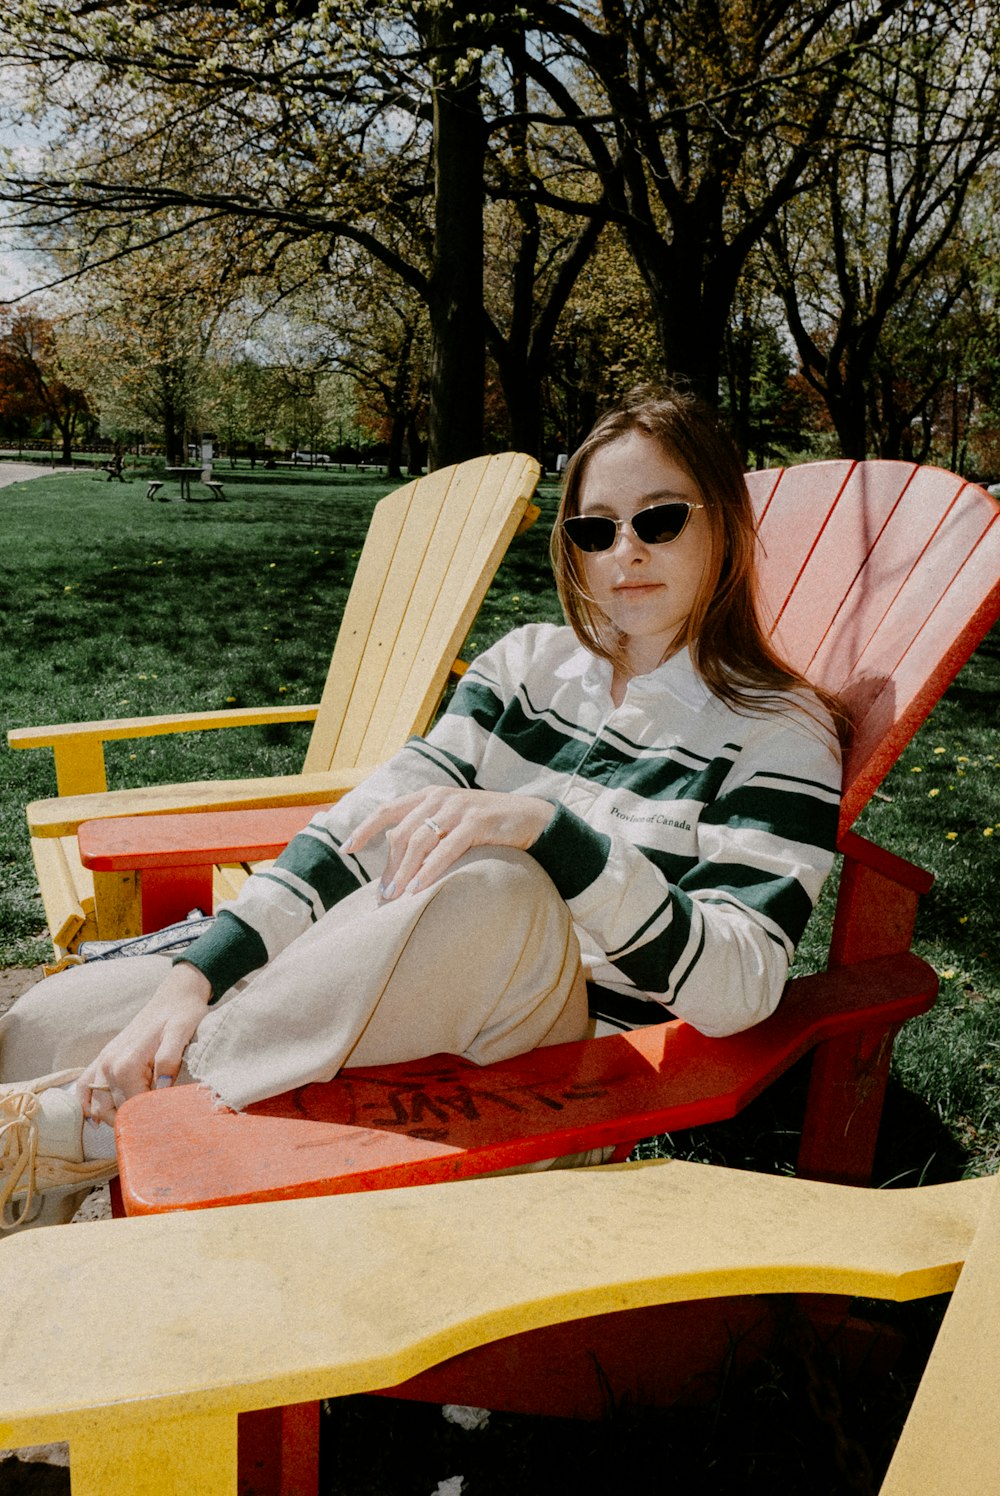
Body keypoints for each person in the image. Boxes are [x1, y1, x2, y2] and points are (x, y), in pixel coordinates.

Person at [0, 386, 844, 1230]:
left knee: (503, 885)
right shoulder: (524, 668)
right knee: (44, 1023)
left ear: (724, 524)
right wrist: (191, 980)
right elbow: (360, 824)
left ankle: (107, 1117)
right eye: (595, 529)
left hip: (550, 1080)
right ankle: (46, 1247)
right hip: (368, 994)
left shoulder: (780, 735)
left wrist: (552, 836)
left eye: (660, 520)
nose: (626, 552)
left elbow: (744, 985)